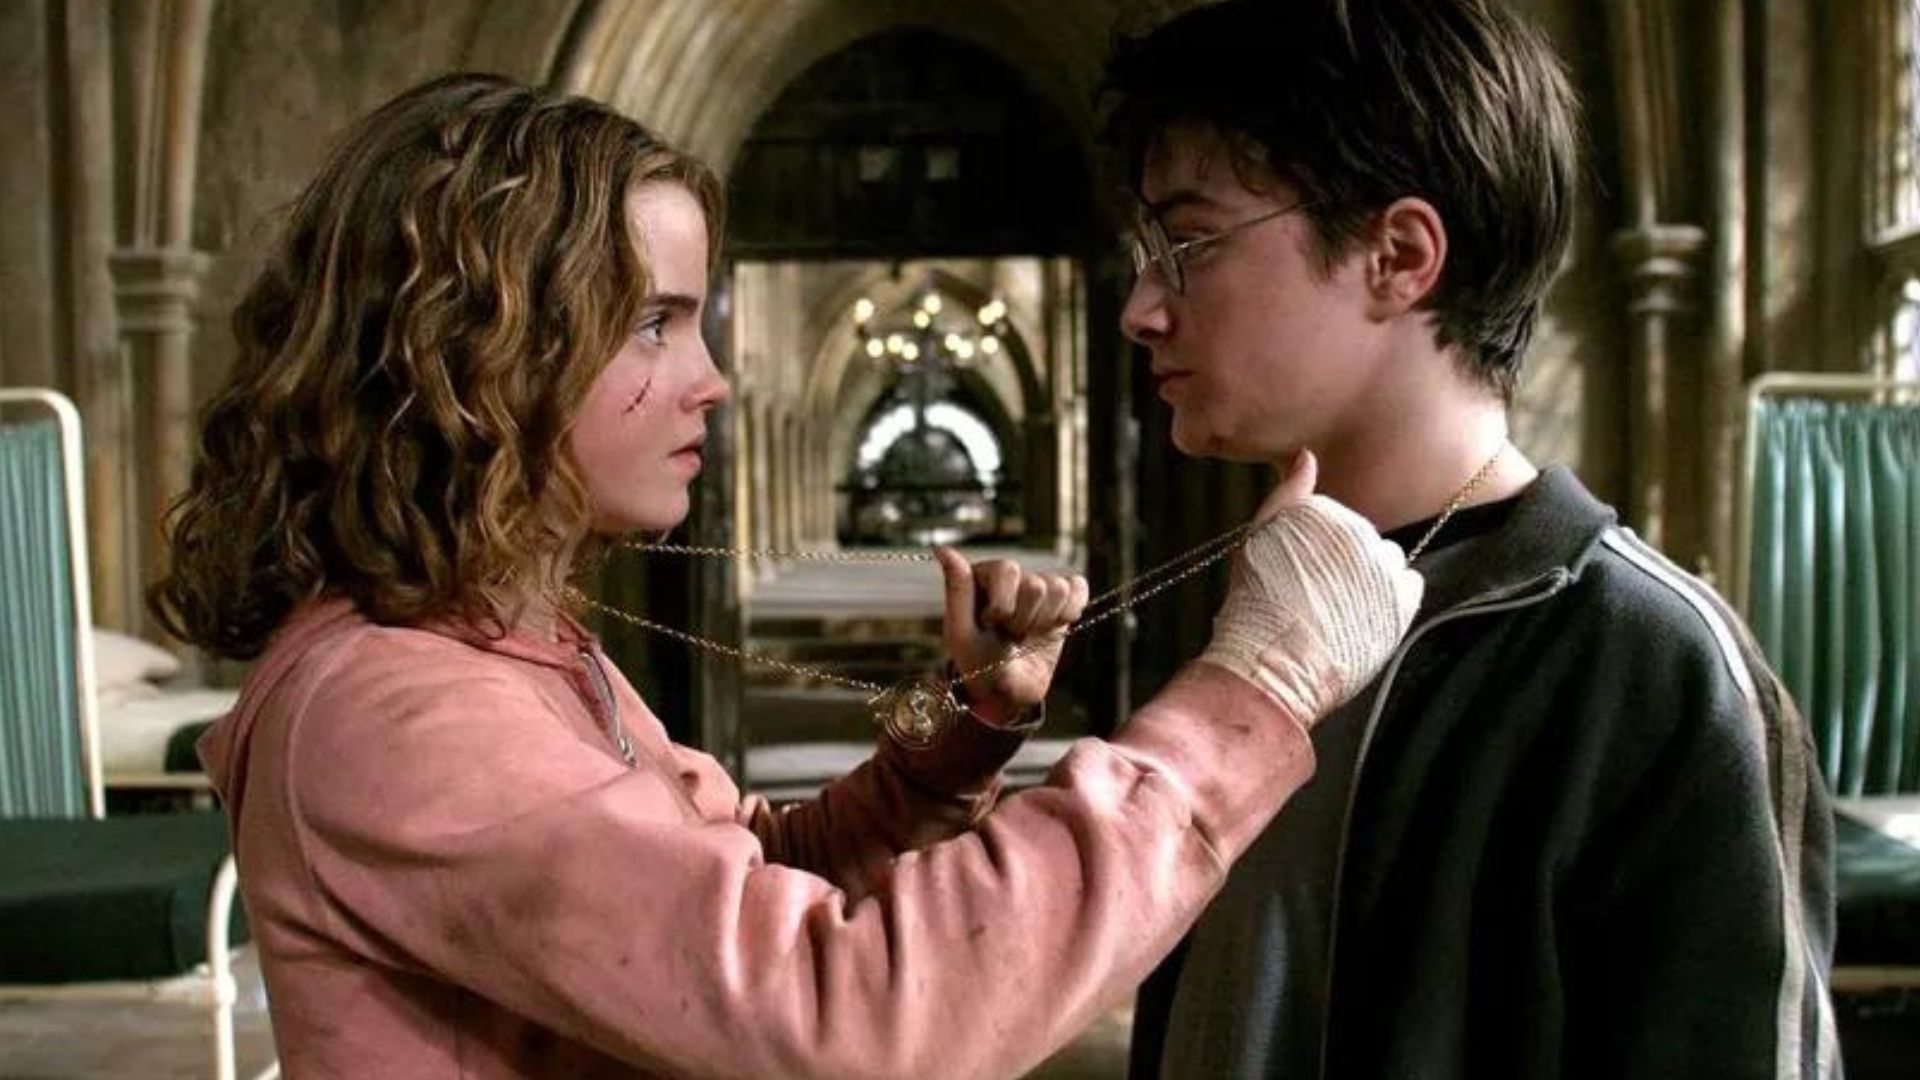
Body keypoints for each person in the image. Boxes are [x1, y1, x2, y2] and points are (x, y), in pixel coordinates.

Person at [153, 72, 1424, 1078]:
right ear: (480, 348)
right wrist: (1252, 693)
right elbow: (844, 1014)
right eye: (654, 322)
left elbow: (744, 882)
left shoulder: (511, 645)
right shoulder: (394, 710)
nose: (713, 379)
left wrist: (954, 743)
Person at [1104, 2, 1840, 1078]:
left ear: (1398, 255)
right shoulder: (1266, 597)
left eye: (1188, 244)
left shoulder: (1653, 671)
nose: (1140, 307)